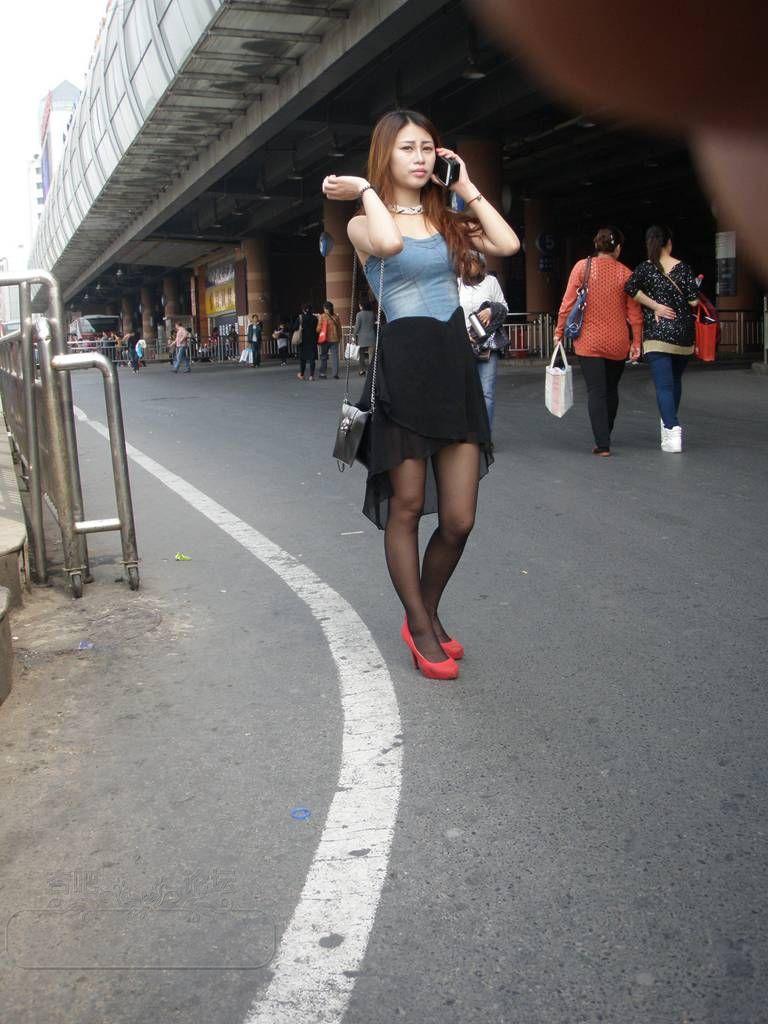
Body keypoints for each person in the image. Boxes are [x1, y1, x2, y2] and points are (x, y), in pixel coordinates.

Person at [323, 108, 520, 679]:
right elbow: (387, 242)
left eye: (428, 148)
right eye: (407, 148)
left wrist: (466, 184)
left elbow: (507, 242)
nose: (419, 157)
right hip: (404, 372)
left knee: (459, 518)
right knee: (407, 507)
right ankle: (420, 623)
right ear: (385, 154)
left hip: (454, 368)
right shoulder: (363, 222)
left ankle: (425, 613)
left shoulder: (446, 217)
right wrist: (366, 191)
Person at [553, 227, 643, 456]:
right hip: (618, 342)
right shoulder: (626, 273)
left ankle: (603, 443)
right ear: (618, 248)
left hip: (589, 341)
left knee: (596, 391)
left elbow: (567, 303)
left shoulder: (582, 268)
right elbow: (634, 313)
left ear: (596, 245)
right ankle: (606, 430)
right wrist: (637, 342)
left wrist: (559, 331)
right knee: (611, 389)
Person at [625, 225, 699, 453]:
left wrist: (655, 305)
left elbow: (630, 288)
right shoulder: (683, 268)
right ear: (669, 243)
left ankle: (671, 428)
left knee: (663, 386)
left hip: (656, 335)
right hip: (682, 334)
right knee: (675, 382)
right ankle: (669, 423)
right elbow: (694, 301)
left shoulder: (645, 269)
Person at [457, 251, 510, 431]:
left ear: (480, 265)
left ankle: (484, 436)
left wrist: (491, 310)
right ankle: (468, 434)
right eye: (463, 262)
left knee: (487, 392)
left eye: (471, 262)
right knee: (464, 392)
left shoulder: (491, 282)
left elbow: (504, 307)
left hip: (488, 344)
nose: (466, 265)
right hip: (463, 343)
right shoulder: (456, 284)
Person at [317, 300, 342, 379]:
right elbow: (339, 328)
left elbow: (318, 329)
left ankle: (323, 373)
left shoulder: (322, 316)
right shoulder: (336, 317)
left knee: (324, 356)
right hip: (335, 339)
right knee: (335, 357)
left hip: (325, 340)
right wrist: (339, 337)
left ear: (325, 308)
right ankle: (335, 374)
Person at [352, 299, 376, 375]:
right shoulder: (372, 314)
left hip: (362, 338)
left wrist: (354, 335)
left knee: (361, 355)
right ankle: (372, 371)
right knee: (371, 355)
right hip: (372, 336)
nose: (359, 306)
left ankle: (362, 370)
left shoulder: (359, 314)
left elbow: (357, 326)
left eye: (360, 305)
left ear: (362, 306)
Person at [295, 304, 318, 381]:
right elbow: (317, 329)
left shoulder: (300, 318)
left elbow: (294, 327)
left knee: (303, 359)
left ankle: (302, 374)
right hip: (312, 340)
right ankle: (311, 376)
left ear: (303, 310)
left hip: (303, 341)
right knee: (312, 359)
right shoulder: (315, 318)